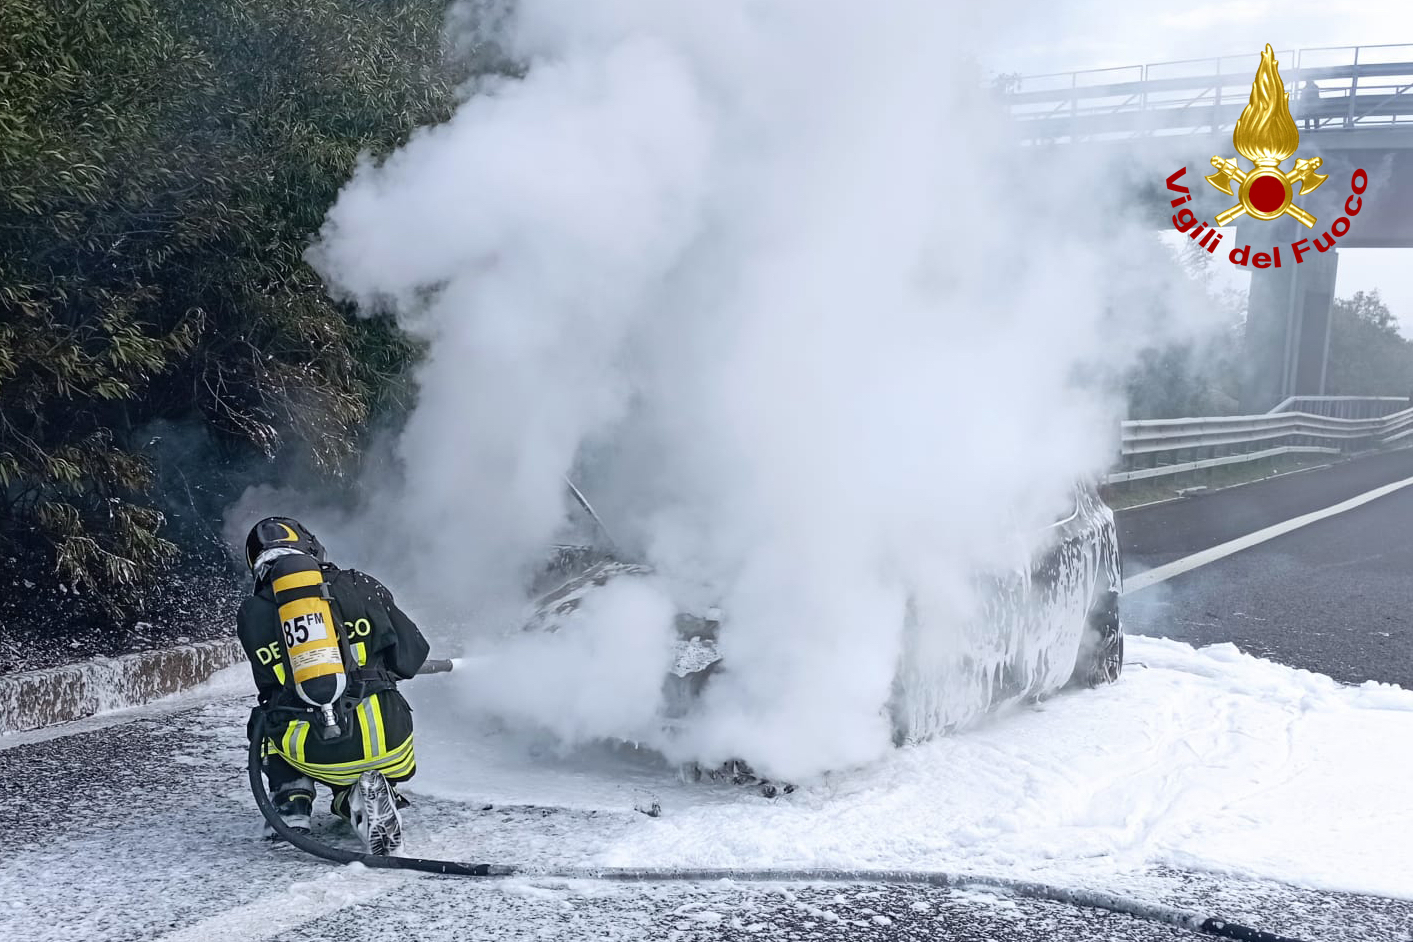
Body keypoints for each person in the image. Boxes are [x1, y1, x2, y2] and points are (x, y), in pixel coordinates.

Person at [238, 516, 429, 853]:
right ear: (310, 546)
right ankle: (357, 797)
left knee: (264, 719)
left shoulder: (252, 614)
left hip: (312, 753)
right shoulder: (360, 585)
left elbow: (271, 692)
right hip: (391, 744)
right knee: (368, 729)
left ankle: (291, 801)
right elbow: (411, 658)